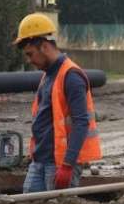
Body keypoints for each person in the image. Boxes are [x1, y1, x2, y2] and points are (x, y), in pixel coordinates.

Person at [13, 13, 102, 193]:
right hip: (40, 161)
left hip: (60, 163)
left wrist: (68, 165)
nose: (29, 60)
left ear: (44, 47)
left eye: (30, 54)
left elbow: (81, 122)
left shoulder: (71, 76)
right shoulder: (48, 75)